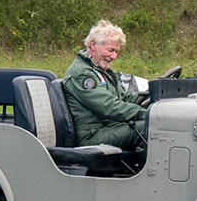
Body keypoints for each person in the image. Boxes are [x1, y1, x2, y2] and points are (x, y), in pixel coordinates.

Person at [62, 19, 146, 149]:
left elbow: (125, 97)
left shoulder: (100, 70)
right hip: (92, 135)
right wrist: (147, 114)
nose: (114, 56)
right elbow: (109, 106)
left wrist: (152, 97)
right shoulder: (82, 73)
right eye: (110, 50)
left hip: (109, 127)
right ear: (93, 45)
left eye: (116, 52)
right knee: (149, 127)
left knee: (152, 123)